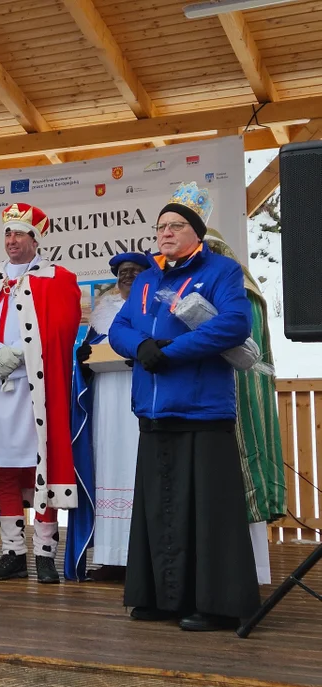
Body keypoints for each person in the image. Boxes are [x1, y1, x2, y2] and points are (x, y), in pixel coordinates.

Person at [108, 182, 261, 631]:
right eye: (160, 227)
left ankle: (214, 605)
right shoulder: (148, 278)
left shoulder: (222, 272)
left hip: (201, 411)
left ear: (196, 231)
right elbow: (120, 328)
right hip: (154, 415)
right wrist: (141, 346)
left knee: (206, 515)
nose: (166, 233)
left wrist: (167, 352)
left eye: (176, 226)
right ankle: (161, 597)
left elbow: (234, 324)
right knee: (160, 511)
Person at [0, 202, 81, 585]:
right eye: (8, 233)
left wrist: (21, 356)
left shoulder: (58, 278)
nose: (12, 240)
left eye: (19, 233)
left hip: (34, 390)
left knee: (41, 465)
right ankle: (13, 552)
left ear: (35, 239)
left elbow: (62, 331)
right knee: (3, 468)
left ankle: (44, 553)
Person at [205, 228, 286, 584]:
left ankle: (246, 574)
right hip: (208, 396)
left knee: (240, 477)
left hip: (238, 394)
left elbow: (243, 349)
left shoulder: (242, 291)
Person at [66, 252, 150, 582]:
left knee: (135, 467)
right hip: (106, 402)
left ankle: (141, 558)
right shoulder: (102, 315)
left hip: (139, 397)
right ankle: (111, 557)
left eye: (135, 271)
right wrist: (82, 360)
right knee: (108, 467)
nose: (128, 276)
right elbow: (86, 358)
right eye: (123, 272)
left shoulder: (153, 307)